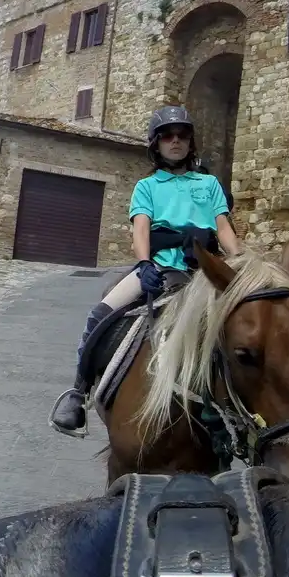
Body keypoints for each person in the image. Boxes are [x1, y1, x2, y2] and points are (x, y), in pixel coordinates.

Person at [50, 105, 242, 435]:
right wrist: (144, 264)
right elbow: (141, 229)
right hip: (158, 267)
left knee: (242, 329)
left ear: (190, 142)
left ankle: (240, 412)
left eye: (182, 135)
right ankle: (79, 393)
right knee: (100, 314)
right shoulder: (146, 186)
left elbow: (223, 227)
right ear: (156, 144)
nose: (175, 141)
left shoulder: (209, 184)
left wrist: (239, 262)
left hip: (204, 271)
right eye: (167, 135)